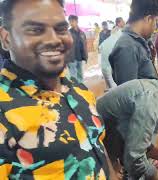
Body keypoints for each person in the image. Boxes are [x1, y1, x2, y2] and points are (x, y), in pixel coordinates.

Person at [0, 0, 116, 179]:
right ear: (6, 39)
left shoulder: (78, 90)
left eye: (61, 29)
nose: (54, 39)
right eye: (35, 30)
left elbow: (97, 145)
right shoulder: (3, 109)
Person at [109, 0, 158, 85]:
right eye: (156, 21)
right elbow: (130, 95)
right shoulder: (127, 47)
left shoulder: (139, 41)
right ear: (148, 19)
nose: (155, 27)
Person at [100, 17, 126, 89]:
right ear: (118, 22)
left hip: (106, 64)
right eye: (122, 21)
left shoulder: (113, 34)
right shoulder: (118, 33)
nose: (123, 22)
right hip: (111, 62)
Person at [67, 15, 88, 83]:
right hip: (71, 58)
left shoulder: (82, 33)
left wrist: (85, 56)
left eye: (72, 21)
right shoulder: (67, 33)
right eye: (70, 21)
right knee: (73, 76)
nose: (71, 23)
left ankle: (81, 88)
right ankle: (75, 89)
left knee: (80, 74)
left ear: (77, 21)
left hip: (80, 57)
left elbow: (85, 44)